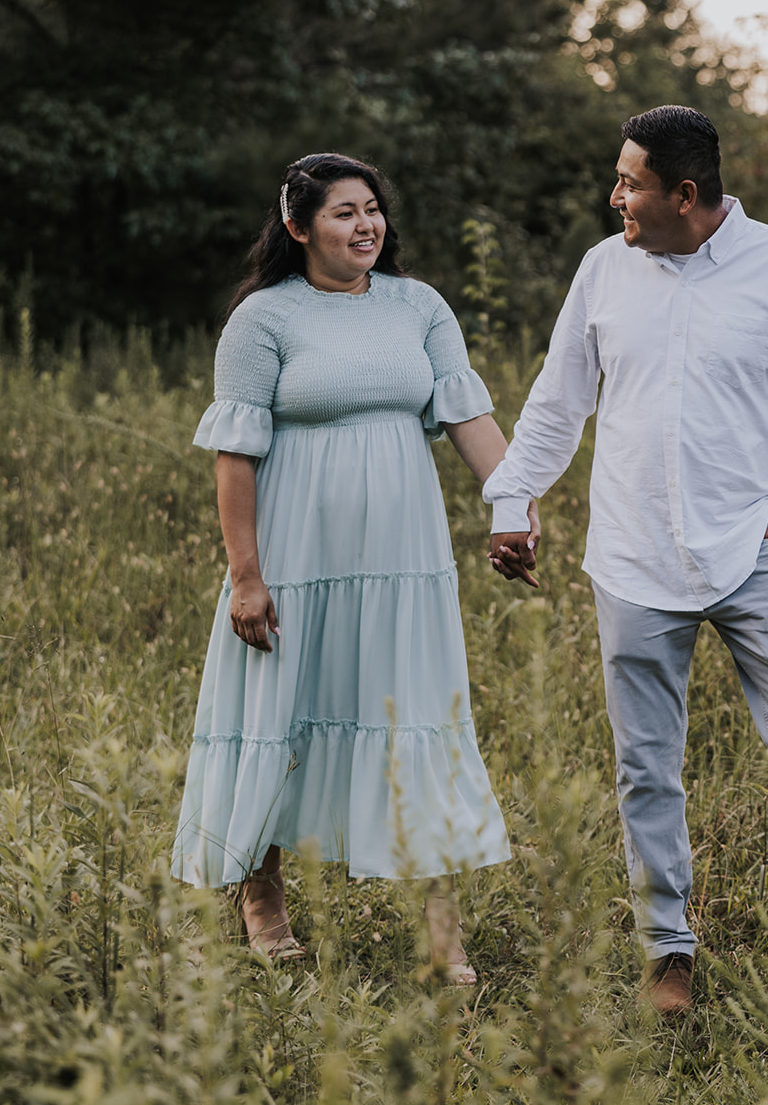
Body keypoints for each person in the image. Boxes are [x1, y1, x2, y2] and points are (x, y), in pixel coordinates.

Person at [483, 105, 768, 1017]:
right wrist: (509, 500)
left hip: (754, 553)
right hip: (630, 553)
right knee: (646, 764)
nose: (613, 197)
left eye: (629, 183)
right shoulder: (603, 270)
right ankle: (666, 957)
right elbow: (557, 403)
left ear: (685, 195)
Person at [172, 152, 537, 976]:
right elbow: (234, 453)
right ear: (298, 227)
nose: (364, 224)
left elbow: (467, 413)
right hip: (295, 549)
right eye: (343, 212)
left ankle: (440, 926)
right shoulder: (263, 319)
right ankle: (260, 894)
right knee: (280, 709)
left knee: (412, 712)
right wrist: (245, 576)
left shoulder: (419, 306)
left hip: (402, 559)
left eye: (371, 209)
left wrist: (512, 506)